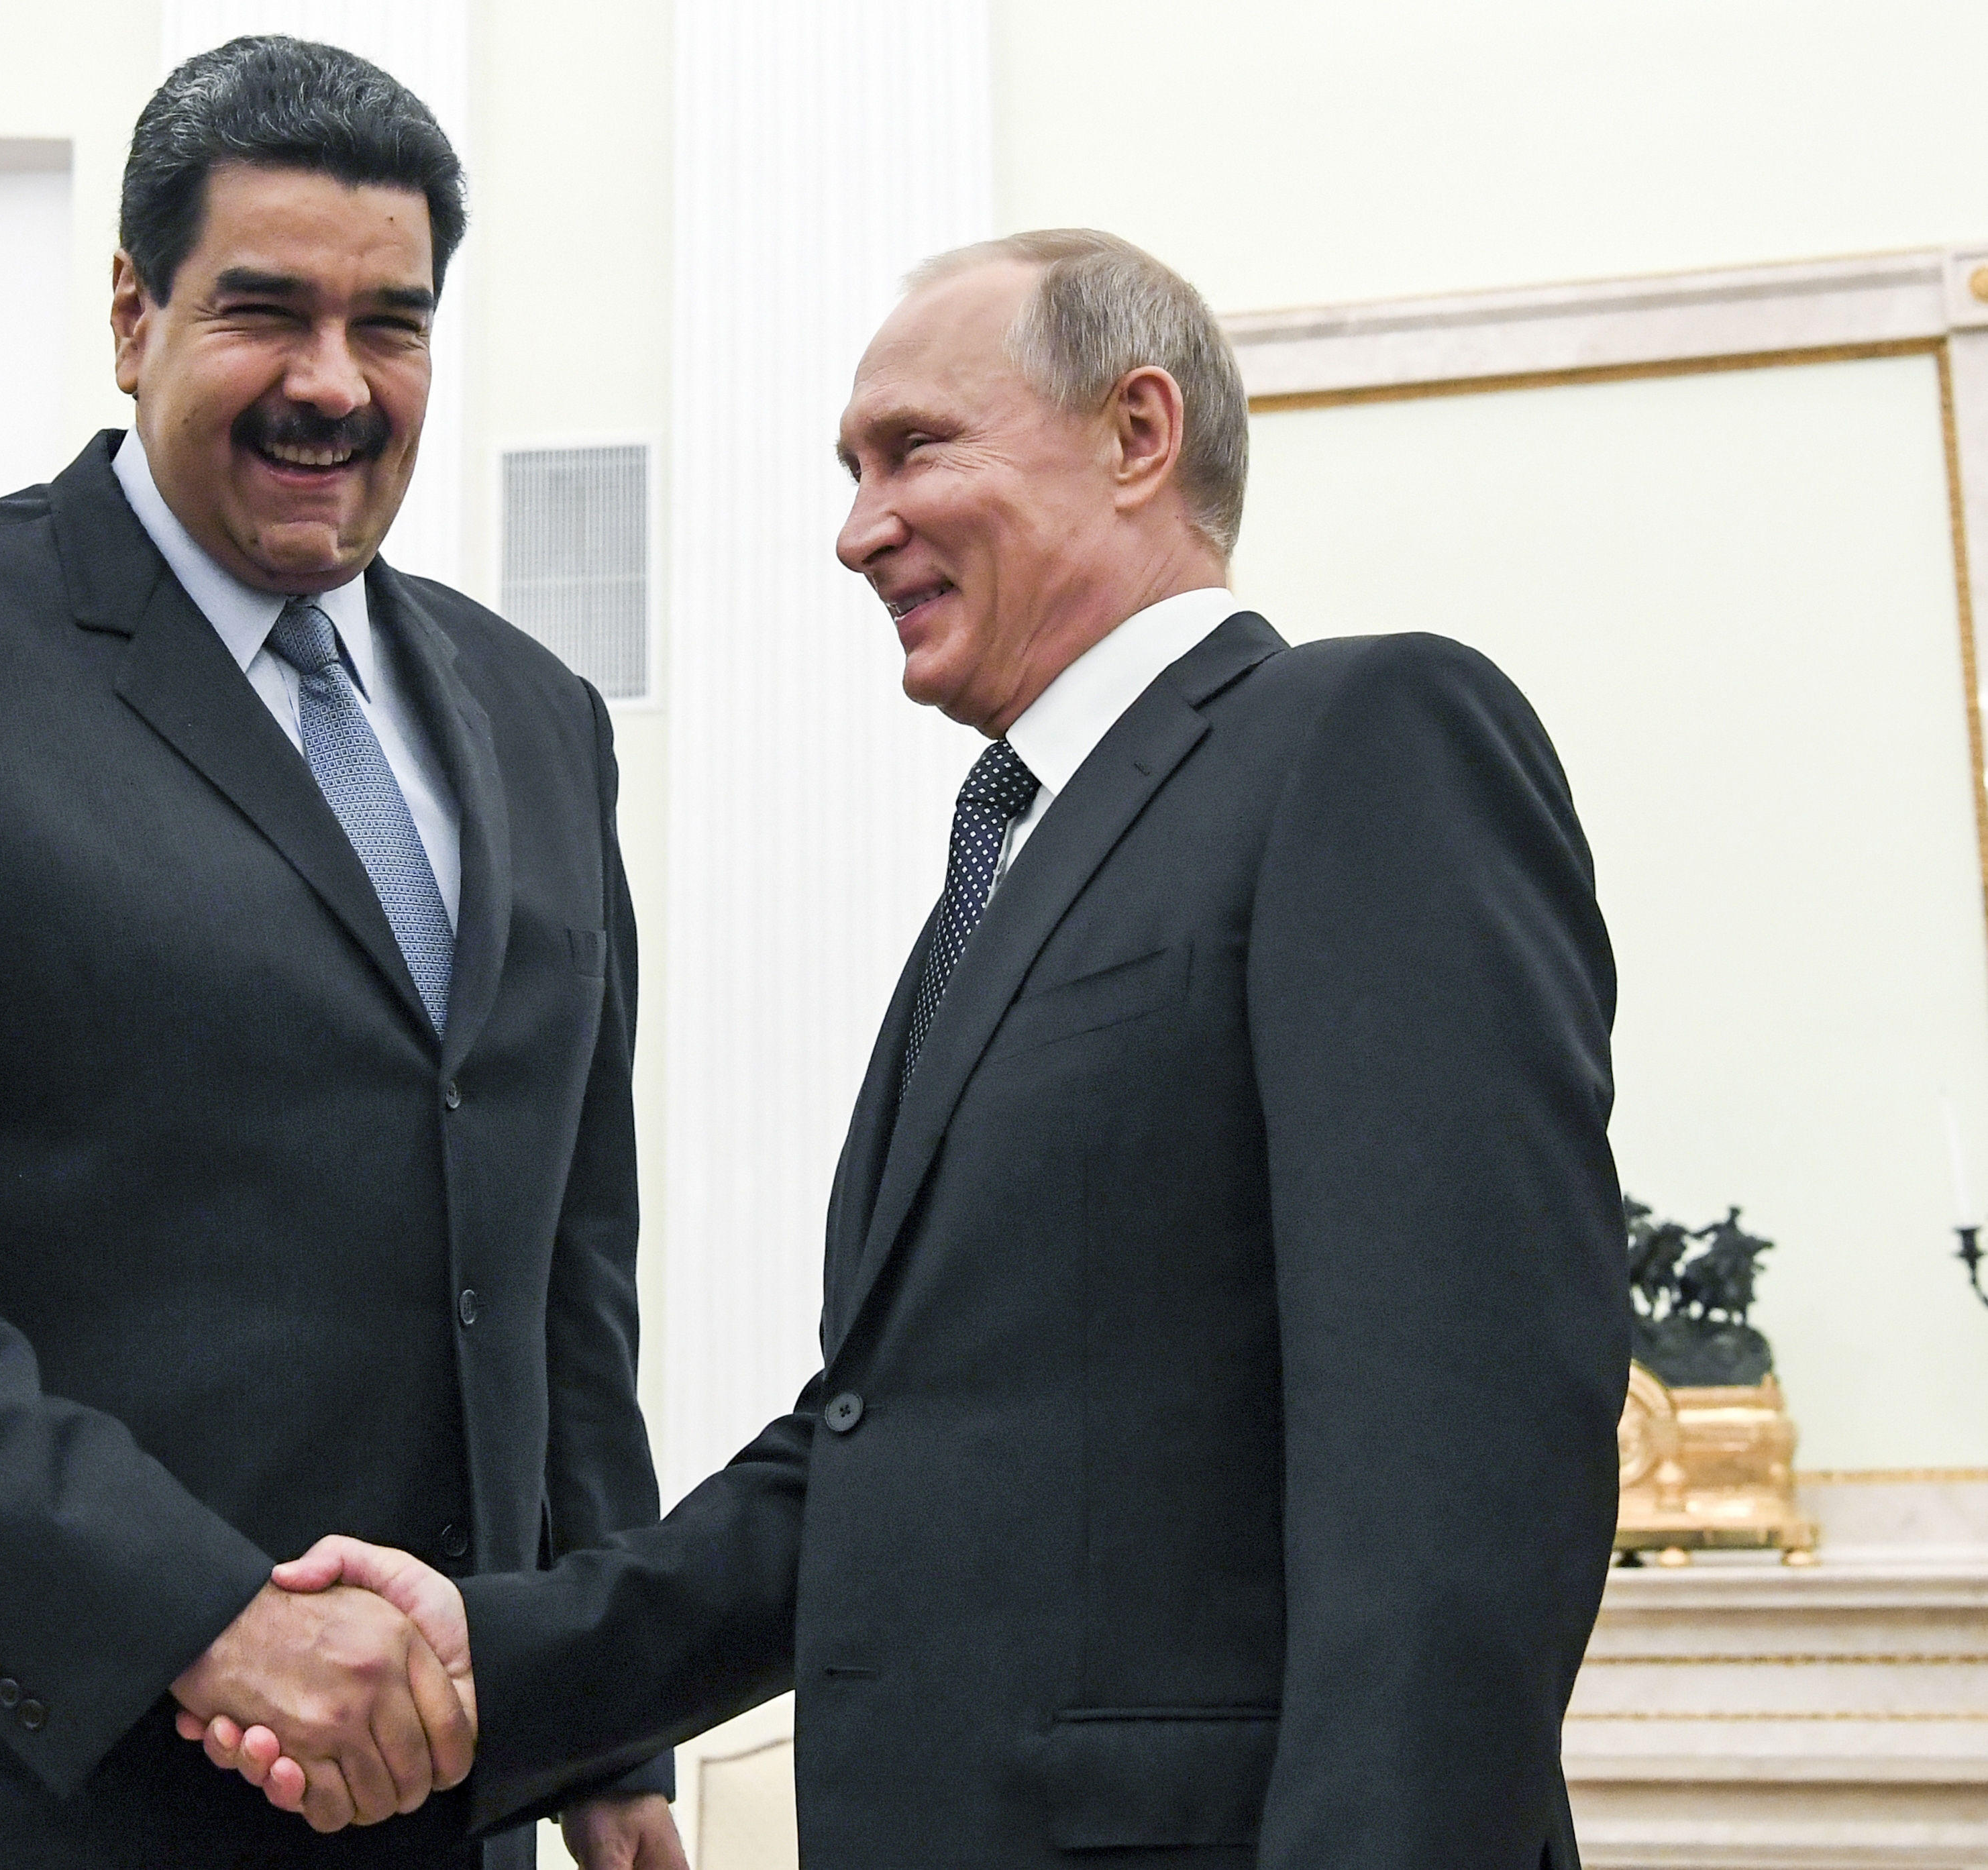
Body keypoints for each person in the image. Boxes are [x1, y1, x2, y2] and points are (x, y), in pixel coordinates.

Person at [200, 230, 1630, 1869]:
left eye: (914, 449)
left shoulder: (1366, 743)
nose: (856, 526)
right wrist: (492, 1649)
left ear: (1136, 432)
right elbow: (885, 1452)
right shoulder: (1012, 859)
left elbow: (1458, 1456)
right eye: (847, 468)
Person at [0, 35, 681, 1870]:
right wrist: (209, 1614)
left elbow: (556, 1279)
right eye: (262, 312)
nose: (330, 384)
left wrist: (607, 1723)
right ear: (130, 313)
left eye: (391, 324)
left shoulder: (538, 715)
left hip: (432, 1800)